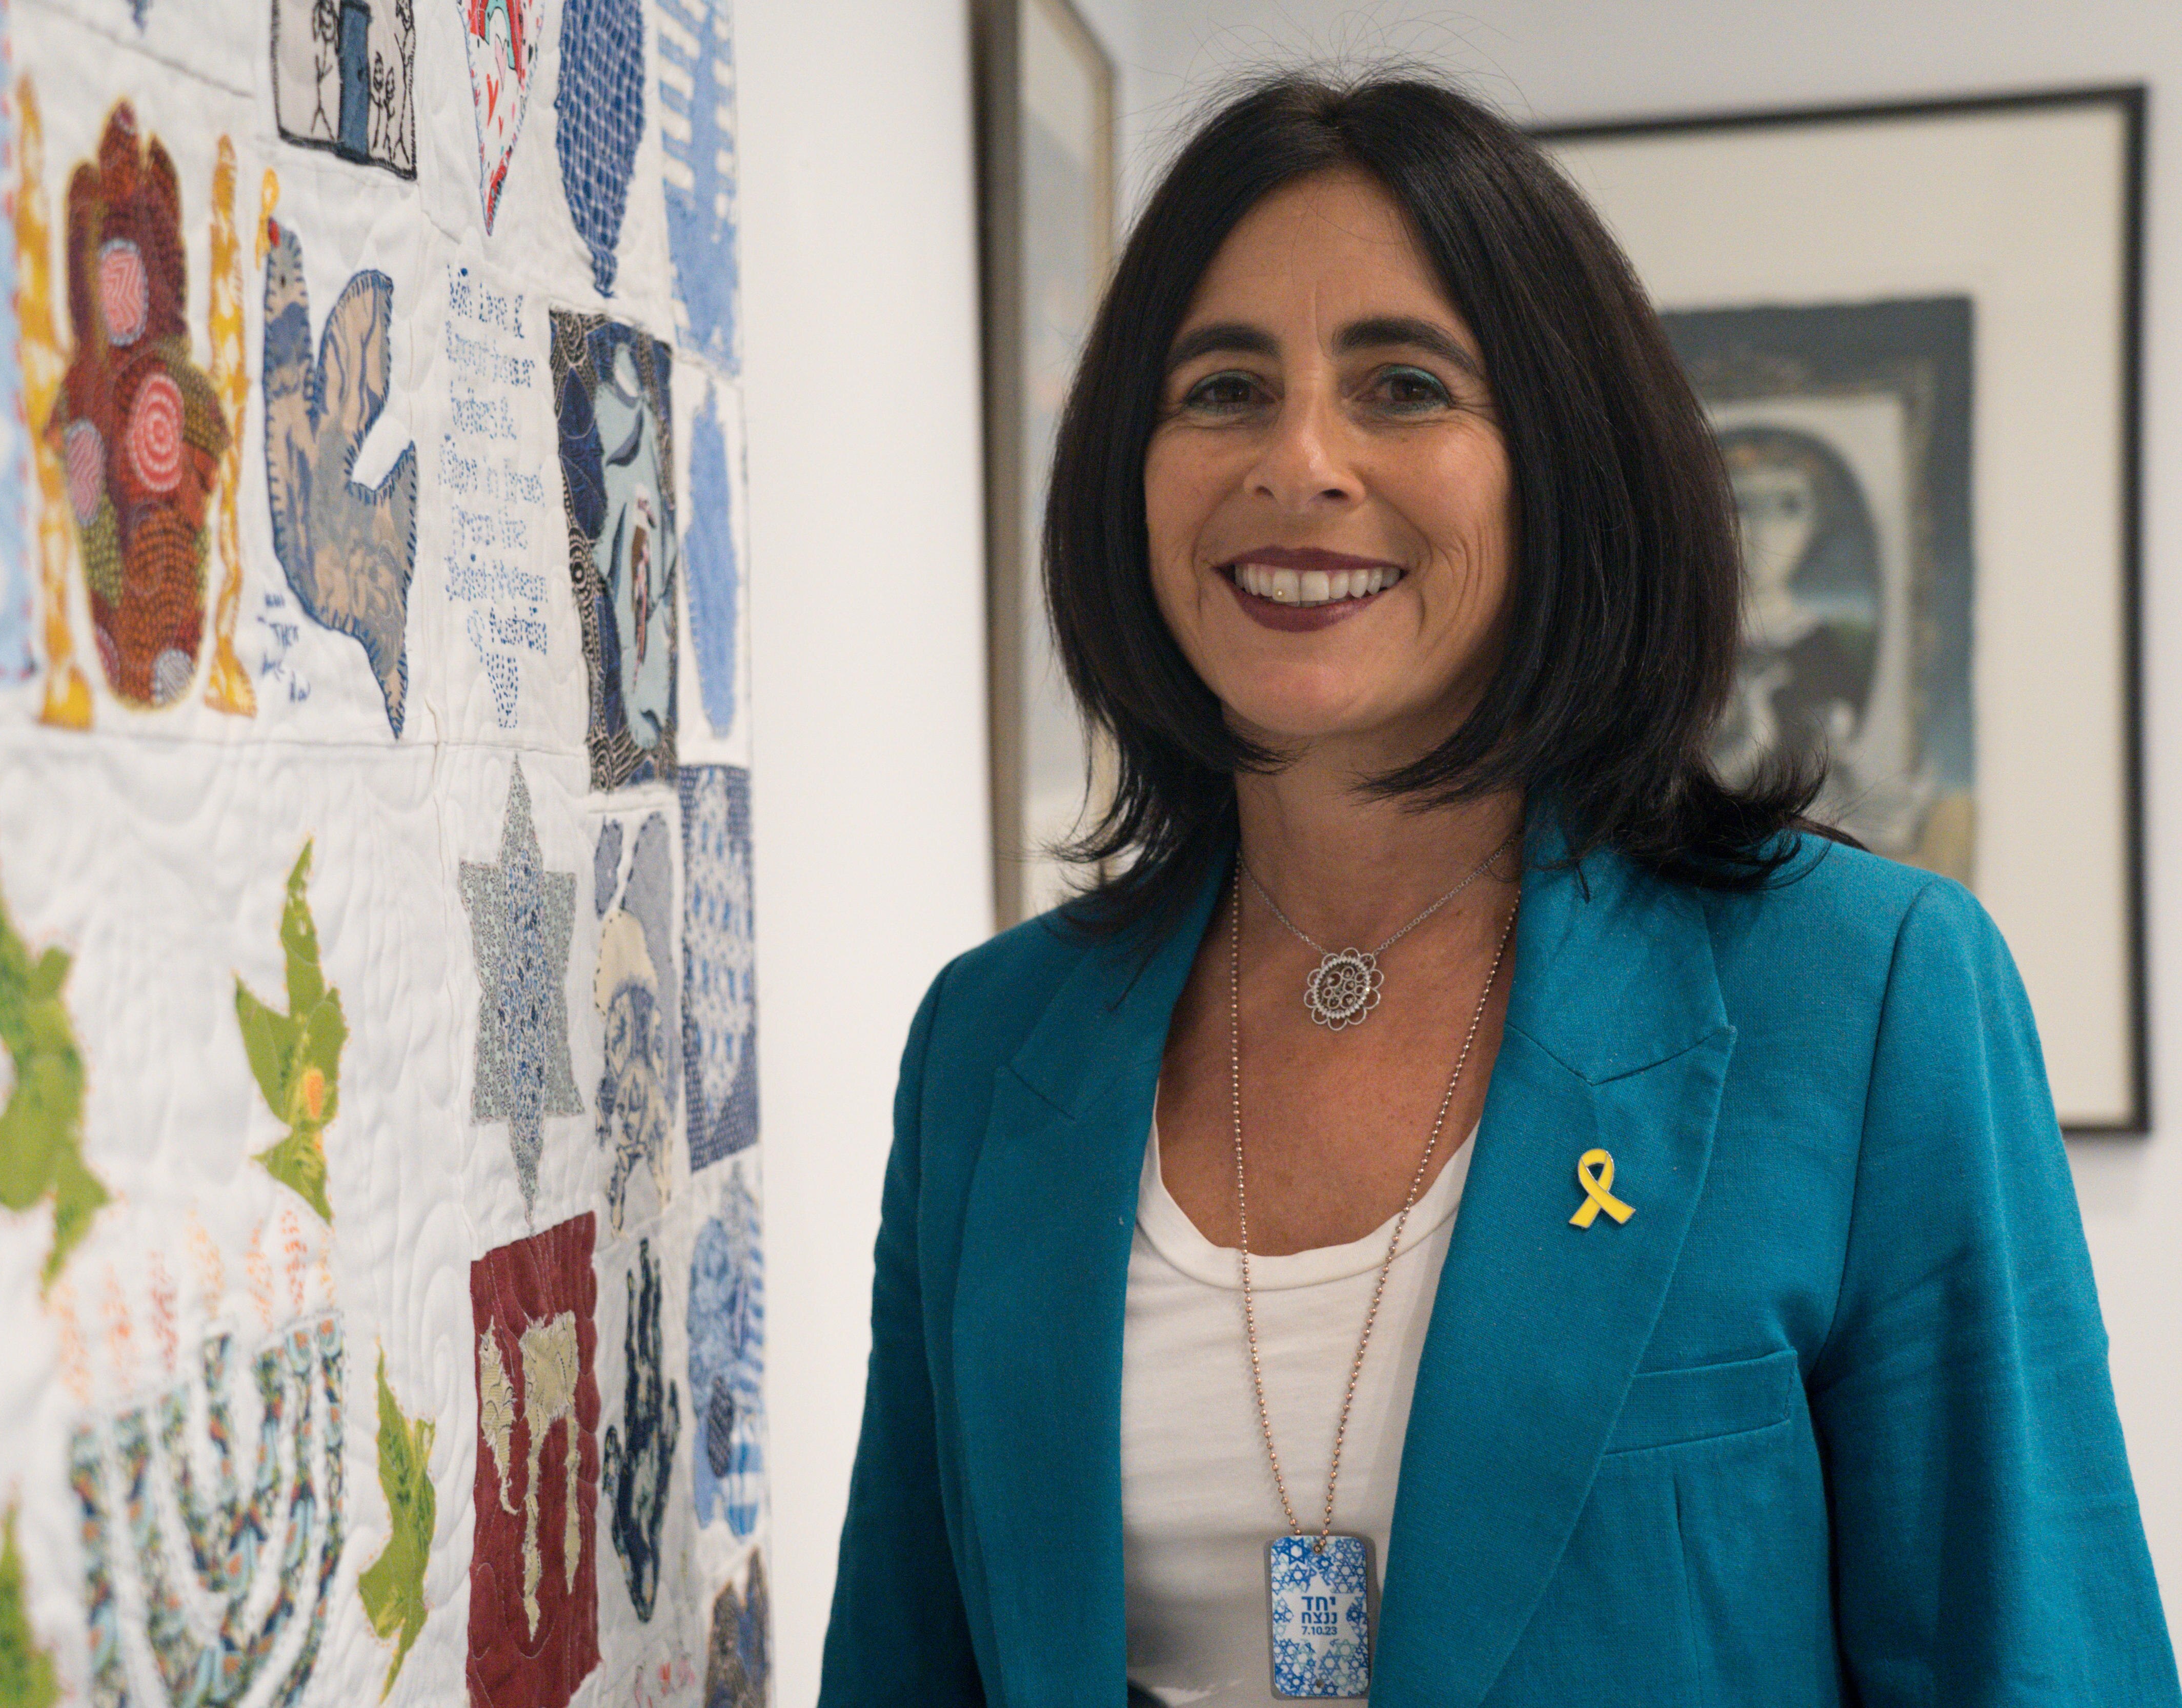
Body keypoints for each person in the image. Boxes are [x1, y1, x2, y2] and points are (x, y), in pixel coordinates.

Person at [818, 72, 2177, 1706]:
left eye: (1403, 384)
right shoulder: (989, 1044)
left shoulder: (1867, 993)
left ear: (1564, 467)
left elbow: (2033, 1659)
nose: (1300, 460)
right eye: (1223, 387)